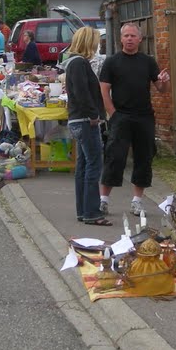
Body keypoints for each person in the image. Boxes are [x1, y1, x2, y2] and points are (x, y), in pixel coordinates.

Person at [98, 23, 170, 217]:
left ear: (140, 39)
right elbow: (104, 90)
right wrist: (113, 113)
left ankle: (137, 201)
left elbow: (161, 89)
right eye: (126, 36)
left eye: (133, 36)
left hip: (144, 116)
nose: (129, 39)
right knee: (115, 156)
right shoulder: (112, 62)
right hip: (121, 115)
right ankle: (103, 200)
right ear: (121, 39)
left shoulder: (148, 62)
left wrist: (165, 81)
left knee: (144, 158)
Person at [63, 27, 109, 226]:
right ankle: (92, 212)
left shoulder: (74, 62)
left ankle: (83, 210)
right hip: (84, 120)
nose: (98, 45)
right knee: (94, 164)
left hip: (77, 120)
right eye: (96, 42)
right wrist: (93, 114)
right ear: (89, 42)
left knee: (83, 165)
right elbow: (82, 93)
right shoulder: (79, 63)